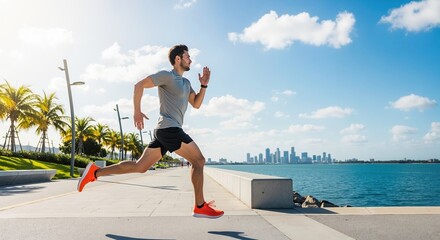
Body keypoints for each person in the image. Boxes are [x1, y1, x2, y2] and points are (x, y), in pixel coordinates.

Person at [77, 44, 224, 219]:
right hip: (169, 129)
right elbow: (139, 85)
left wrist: (204, 86)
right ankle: (200, 206)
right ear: (178, 59)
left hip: (166, 131)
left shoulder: (186, 83)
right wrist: (137, 111)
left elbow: (196, 104)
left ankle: (95, 172)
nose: (190, 60)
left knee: (140, 167)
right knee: (198, 161)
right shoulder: (166, 76)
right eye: (187, 56)